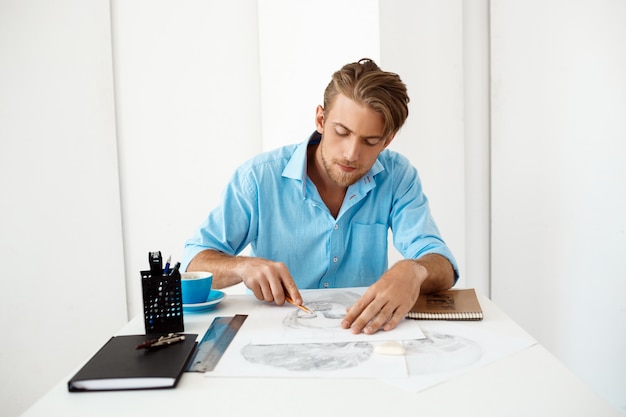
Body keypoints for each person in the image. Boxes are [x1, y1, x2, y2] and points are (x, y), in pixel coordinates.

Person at [182, 58, 458, 335]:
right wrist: (242, 266)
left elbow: (441, 262)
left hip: (363, 338)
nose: (351, 153)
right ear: (321, 119)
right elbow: (194, 261)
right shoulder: (258, 177)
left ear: (387, 141)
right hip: (275, 337)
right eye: (342, 132)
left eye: (370, 141)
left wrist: (414, 271)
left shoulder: (398, 176)